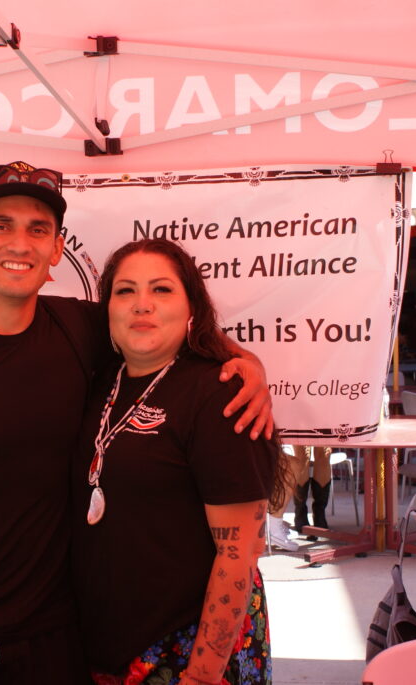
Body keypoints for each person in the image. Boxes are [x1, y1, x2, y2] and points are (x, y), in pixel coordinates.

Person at [0, 161, 274, 685]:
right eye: (1, 225)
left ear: (56, 251)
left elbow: (163, 324)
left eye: (38, 229)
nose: (20, 242)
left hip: (51, 644)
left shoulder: (79, 329)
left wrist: (247, 363)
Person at [73, 238, 285, 684]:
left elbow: (240, 550)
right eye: (125, 291)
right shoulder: (97, 385)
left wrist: (202, 675)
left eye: (162, 290)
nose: (142, 304)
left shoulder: (221, 394)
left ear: (192, 307)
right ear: (107, 309)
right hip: (103, 648)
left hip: (186, 649)